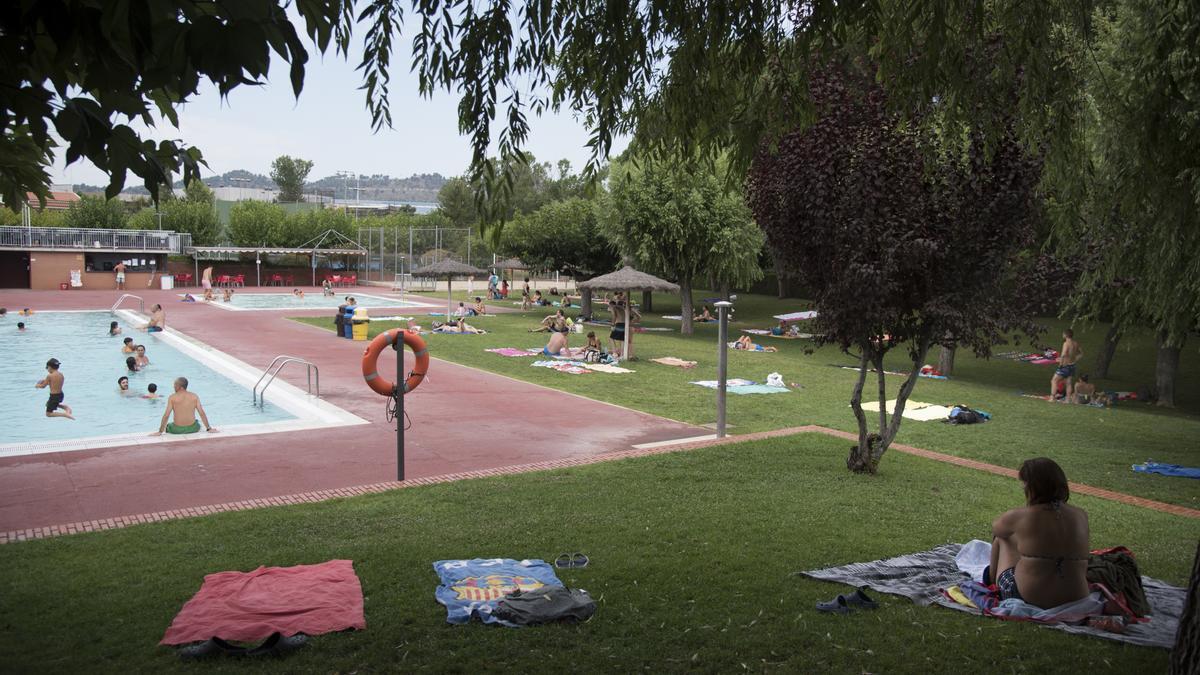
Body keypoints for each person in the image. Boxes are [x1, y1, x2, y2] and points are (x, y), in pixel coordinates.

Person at [986, 458, 1090, 609]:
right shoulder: (1081, 515)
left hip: (1029, 598)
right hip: (1076, 599)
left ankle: (989, 582)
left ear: (1031, 486)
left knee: (1003, 538)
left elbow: (997, 528)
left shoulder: (1020, 516)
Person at [152, 377, 217, 435]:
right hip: (193, 428)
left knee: (169, 426)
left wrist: (160, 431)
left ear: (181, 387)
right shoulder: (194, 396)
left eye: (175, 385)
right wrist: (209, 428)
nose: (173, 386)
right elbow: (201, 413)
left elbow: (166, 415)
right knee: (197, 422)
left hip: (177, 429)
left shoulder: (172, 397)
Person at [1050, 329, 1083, 402]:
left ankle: (1052, 398)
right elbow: (1081, 353)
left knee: (1054, 380)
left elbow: (1063, 354)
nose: (1062, 335)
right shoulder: (1075, 343)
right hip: (1072, 365)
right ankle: (1067, 400)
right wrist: (1075, 359)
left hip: (1065, 365)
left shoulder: (1066, 343)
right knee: (1068, 383)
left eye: (1063, 334)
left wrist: (1060, 364)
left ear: (1065, 335)